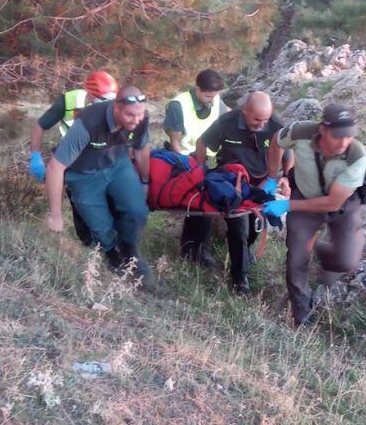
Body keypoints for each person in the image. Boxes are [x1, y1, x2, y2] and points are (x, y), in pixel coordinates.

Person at [263, 103, 366, 325]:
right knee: (297, 258)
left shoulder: (356, 155)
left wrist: (287, 206)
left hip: (342, 204)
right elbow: (276, 141)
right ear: (322, 129)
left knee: (346, 261)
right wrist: (272, 177)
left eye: (349, 136)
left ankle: (320, 248)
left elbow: (332, 202)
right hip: (304, 192)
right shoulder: (300, 131)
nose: (343, 142)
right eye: (337, 136)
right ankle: (301, 312)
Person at [44, 86, 153, 283]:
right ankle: (112, 254)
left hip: (117, 165)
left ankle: (130, 250)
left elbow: (141, 147)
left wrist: (144, 180)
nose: (135, 120)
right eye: (130, 115)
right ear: (115, 108)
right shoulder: (88, 123)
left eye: (140, 114)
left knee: (137, 210)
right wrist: (56, 215)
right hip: (83, 175)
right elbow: (55, 167)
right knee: (101, 226)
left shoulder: (140, 118)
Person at [185, 91, 288, 291]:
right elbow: (202, 142)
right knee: (238, 227)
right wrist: (200, 170)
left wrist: (286, 176)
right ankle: (240, 280)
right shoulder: (227, 122)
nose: (262, 124)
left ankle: (244, 250)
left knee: (253, 227)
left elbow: (287, 151)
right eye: (257, 119)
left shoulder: (275, 124)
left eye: (265, 120)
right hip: (232, 181)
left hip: (261, 182)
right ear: (245, 110)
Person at [30, 70, 118, 246]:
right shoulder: (68, 101)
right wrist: (35, 156)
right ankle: (91, 251)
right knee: (83, 215)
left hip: (103, 161)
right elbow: (40, 126)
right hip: (73, 161)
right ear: (90, 95)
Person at [163, 69, 229, 156]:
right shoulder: (178, 106)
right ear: (197, 89)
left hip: (209, 159)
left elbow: (230, 117)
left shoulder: (215, 100)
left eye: (215, 96)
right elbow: (175, 144)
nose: (212, 101)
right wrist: (184, 164)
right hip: (185, 158)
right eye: (208, 96)